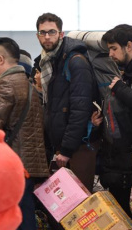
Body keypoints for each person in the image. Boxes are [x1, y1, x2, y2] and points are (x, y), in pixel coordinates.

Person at [0, 37, 49, 230]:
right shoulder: (28, 84)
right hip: (29, 164)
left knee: (17, 223)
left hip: (12, 165)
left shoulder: (5, 84)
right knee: (26, 219)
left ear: (1, 59)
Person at [35, 12, 98, 191]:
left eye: (52, 32)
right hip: (63, 145)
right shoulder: (49, 62)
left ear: (61, 34)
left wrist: (66, 149)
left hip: (80, 145)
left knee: (80, 204)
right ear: (37, 35)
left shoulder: (75, 61)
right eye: (43, 32)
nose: (47, 37)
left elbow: (80, 108)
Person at [90, 24, 132, 217]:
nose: (111, 54)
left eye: (114, 48)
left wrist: (120, 89)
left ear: (128, 46)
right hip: (124, 154)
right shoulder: (128, 71)